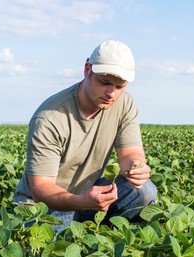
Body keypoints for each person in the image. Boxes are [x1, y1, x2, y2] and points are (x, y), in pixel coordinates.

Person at [13, 40, 157, 235]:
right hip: (45, 206)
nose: (111, 93)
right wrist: (81, 201)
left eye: (119, 86)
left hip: (90, 196)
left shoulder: (124, 103)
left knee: (144, 191)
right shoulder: (49, 118)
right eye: (104, 82)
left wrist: (136, 167)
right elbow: (41, 188)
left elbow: (131, 153)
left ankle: (109, 241)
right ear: (87, 69)